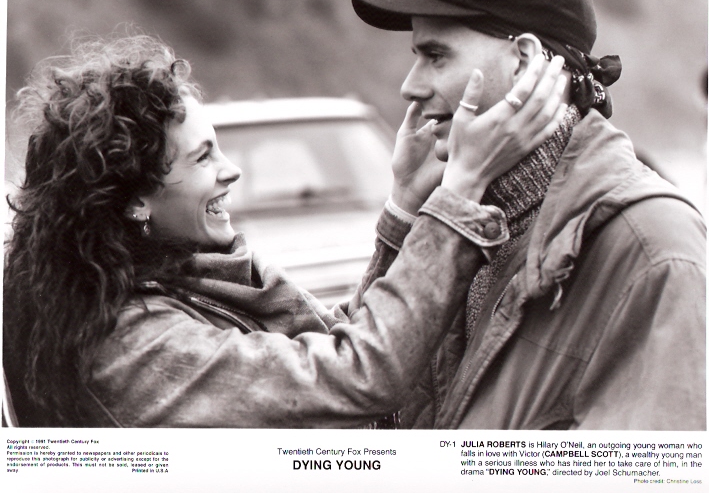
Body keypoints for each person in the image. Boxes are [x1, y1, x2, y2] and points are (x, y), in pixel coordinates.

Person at [2, 34, 567, 427]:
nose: (232, 170)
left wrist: (404, 204)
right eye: (203, 158)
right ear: (133, 203)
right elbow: (357, 376)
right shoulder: (133, 347)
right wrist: (460, 191)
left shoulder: (155, 288)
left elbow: (333, 346)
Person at [352, 0, 706, 429]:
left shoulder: (653, 247)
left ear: (523, 60)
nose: (410, 87)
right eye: (416, 57)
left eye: (435, 56)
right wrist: (404, 218)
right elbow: (360, 390)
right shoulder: (455, 221)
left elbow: (660, 464)